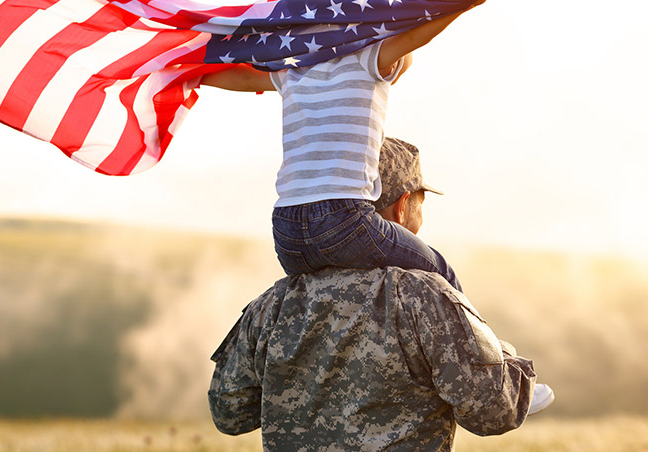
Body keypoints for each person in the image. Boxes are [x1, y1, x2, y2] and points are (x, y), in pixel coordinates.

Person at [208, 137, 554, 451]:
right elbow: (493, 411)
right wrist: (504, 356)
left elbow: (230, 414)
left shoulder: (273, 303)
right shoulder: (423, 295)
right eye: (420, 203)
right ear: (402, 206)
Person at [200, 0, 489, 291]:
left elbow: (240, 77)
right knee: (442, 272)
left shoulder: (298, 64)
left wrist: (188, 74)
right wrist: (460, 5)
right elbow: (414, 38)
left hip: (287, 235)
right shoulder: (369, 57)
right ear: (386, 27)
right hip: (343, 223)